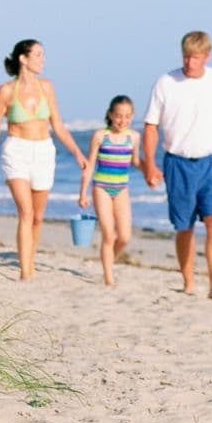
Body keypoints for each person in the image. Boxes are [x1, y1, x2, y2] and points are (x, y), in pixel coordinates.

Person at [142, 31, 212, 301]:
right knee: (185, 226)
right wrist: (149, 164)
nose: (189, 63)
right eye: (185, 56)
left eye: (194, 57)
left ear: (206, 56)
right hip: (178, 163)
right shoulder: (166, 83)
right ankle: (188, 280)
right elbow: (151, 127)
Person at [0, 39, 87, 281]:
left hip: (43, 151)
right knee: (26, 213)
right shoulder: (6, 91)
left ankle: (30, 260)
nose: (43, 60)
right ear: (23, 58)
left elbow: (58, 125)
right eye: (39, 55)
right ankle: (25, 271)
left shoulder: (47, 87)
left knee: (38, 217)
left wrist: (77, 153)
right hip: (16, 152)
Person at [79, 95, 141, 286]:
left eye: (127, 116)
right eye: (118, 116)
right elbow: (90, 166)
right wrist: (83, 193)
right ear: (110, 115)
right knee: (109, 234)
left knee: (124, 236)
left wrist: (152, 172)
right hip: (101, 188)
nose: (122, 121)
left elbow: (137, 162)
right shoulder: (100, 136)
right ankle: (108, 277)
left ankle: (108, 260)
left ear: (132, 116)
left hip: (122, 189)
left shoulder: (134, 137)